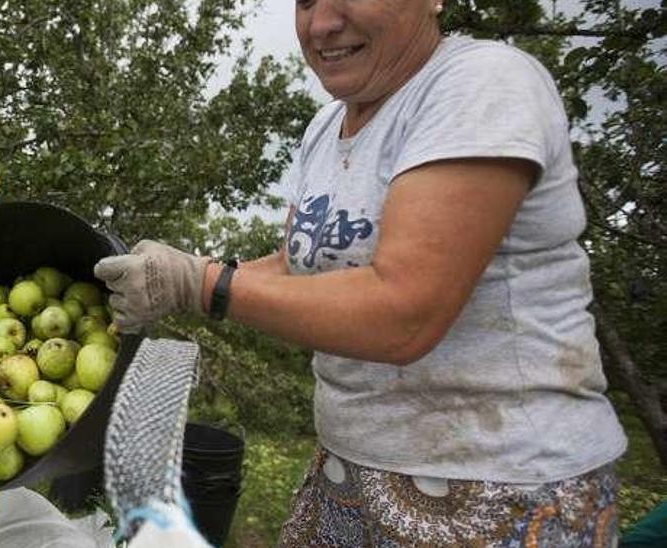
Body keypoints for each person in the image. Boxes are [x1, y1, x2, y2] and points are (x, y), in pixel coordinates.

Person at [94, 1, 626, 545]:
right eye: (304, 1)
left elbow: (404, 312)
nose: (321, 23)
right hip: (350, 468)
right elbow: (299, 265)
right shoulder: (328, 125)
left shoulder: (480, 84)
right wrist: (177, 277)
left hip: (495, 488)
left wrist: (198, 283)